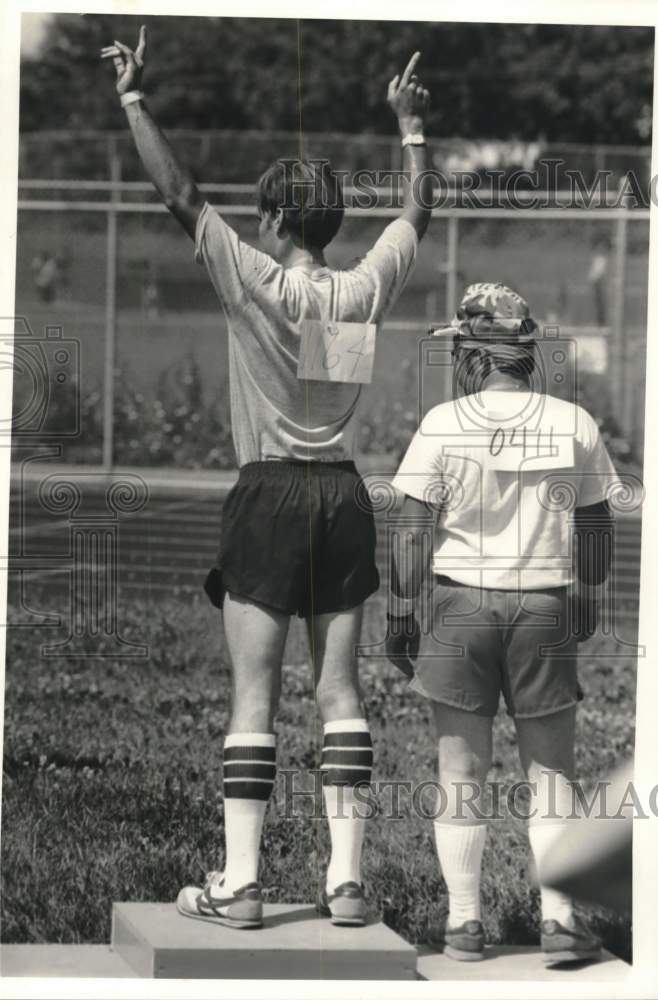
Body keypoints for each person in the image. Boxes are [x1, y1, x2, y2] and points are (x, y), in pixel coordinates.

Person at [102, 27, 432, 929]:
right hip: (343, 495)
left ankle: (242, 886)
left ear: (280, 223)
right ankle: (348, 883)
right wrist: (409, 128)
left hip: (269, 494)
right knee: (341, 695)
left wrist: (135, 99)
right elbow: (419, 214)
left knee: (254, 695)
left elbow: (176, 193)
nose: (253, 223)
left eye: (262, 214)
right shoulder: (366, 287)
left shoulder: (253, 278)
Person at [386, 282, 618, 965]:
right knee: (551, 771)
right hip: (545, 605)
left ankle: (465, 924)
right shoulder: (573, 422)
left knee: (461, 769)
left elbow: (410, 529)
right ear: (525, 353)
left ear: (471, 353)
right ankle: (560, 920)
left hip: (459, 606)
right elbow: (596, 521)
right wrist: (589, 591)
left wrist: (403, 609)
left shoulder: (442, 424)